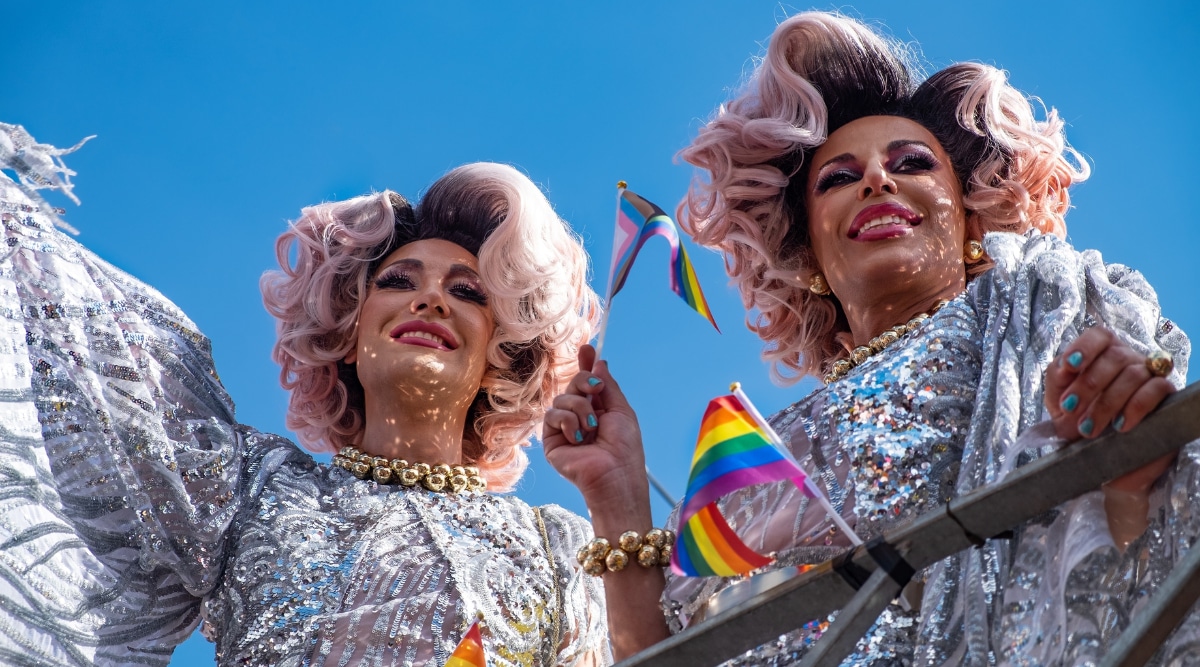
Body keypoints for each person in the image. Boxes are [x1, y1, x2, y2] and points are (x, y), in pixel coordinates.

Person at [542, 11, 1196, 666]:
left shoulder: (1035, 316)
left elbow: (1125, 548)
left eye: (911, 163)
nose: (876, 180)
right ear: (809, 257)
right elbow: (666, 657)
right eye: (838, 178)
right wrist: (616, 490)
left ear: (972, 222)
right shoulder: (757, 455)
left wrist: (1133, 442)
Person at [0, 123, 609, 666]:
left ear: (497, 357)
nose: (432, 299)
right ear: (347, 333)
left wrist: (617, 493)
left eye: (468, 292)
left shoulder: (558, 552)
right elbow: (92, 357)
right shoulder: (250, 493)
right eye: (399, 280)